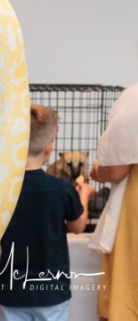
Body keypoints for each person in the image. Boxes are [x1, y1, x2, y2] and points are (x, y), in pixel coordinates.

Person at [0, 104, 95, 321]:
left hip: (11, 293)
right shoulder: (62, 189)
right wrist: (85, 196)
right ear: (49, 149)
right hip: (52, 294)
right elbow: (78, 226)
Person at [89, 82, 138, 320]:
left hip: (134, 208)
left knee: (129, 288)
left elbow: (116, 170)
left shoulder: (134, 97)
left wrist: (97, 170)